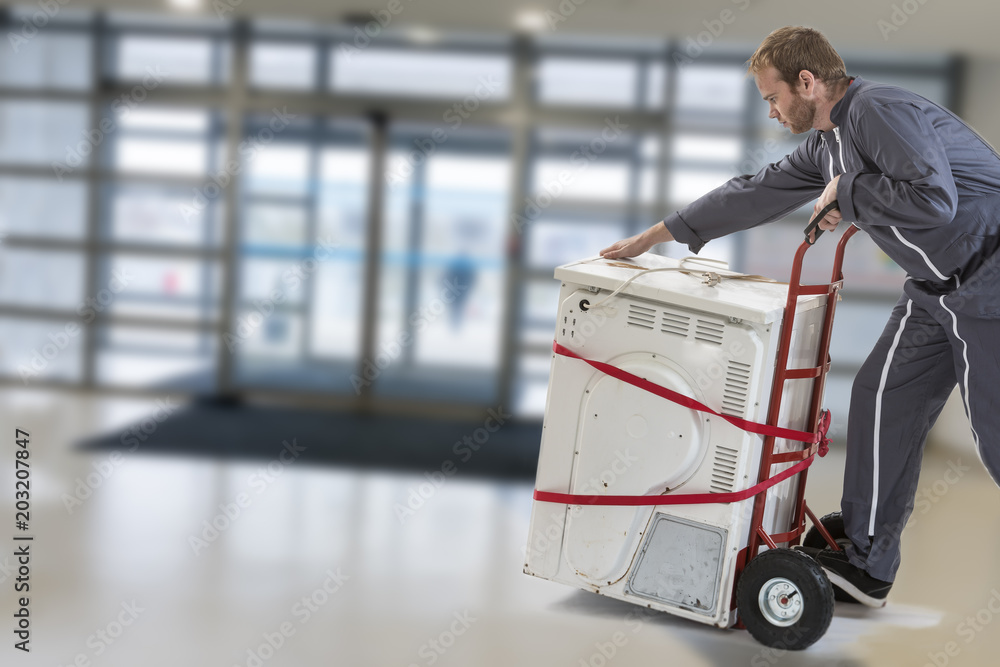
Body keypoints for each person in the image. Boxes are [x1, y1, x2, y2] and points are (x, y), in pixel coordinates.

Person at [600, 25, 1000, 608]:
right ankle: (867, 561)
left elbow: (934, 202)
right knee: (882, 396)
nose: (770, 111)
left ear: (807, 82)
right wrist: (656, 236)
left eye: (773, 97)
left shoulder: (878, 111)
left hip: (990, 283)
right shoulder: (827, 144)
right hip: (933, 292)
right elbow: (754, 191)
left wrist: (849, 192)